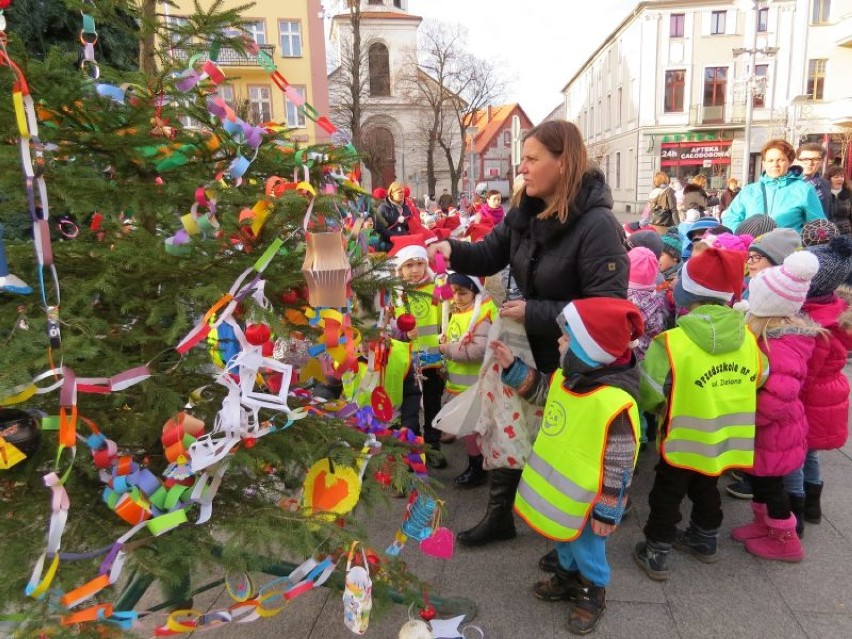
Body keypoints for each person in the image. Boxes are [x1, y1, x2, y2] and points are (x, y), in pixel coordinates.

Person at [427, 120, 629, 549]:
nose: (522, 168)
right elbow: (489, 253)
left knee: (557, 442)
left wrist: (536, 311)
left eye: (533, 159)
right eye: (524, 158)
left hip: (569, 356)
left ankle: (565, 539)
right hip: (524, 343)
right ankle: (501, 515)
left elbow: (607, 308)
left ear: (564, 162)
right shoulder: (526, 210)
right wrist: (451, 248)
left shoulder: (598, 226)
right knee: (507, 427)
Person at [492, 298, 644, 635]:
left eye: (567, 338)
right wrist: (515, 368)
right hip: (561, 493)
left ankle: (591, 591)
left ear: (589, 351)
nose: (559, 342)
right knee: (562, 538)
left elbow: (620, 465)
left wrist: (608, 510)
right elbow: (546, 394)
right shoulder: (569, 376)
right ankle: (566, 577)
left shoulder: (615, 403)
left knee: (588, 549)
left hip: (588, 500)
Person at [634, 248, 767, 581]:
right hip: (725, 438)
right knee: (707, 488)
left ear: (687, 295)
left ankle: (656, 550)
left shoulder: (671, 342)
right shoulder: (748, 338)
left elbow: (649, 390)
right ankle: (705, 540)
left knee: (667, 493)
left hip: (682, 439)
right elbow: (761, 376)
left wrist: (660, 409)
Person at [731, 251, 821, 562]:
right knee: (760, 481)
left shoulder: (781, 345)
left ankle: (786, 540)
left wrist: (747, 418)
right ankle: (763, 525)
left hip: (773, 432)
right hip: (768, 433)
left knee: (771, 487)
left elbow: (778, 398)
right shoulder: (772, 336)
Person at [789, 236, 852, 529]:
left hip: (809, 397)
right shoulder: (835, 310)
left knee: (796, 452)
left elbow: (805, 373)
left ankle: (795, 511)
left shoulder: (815, 325)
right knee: (810, 452)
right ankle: (813, 504)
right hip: (828, 392)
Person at [387, 234, 447, 468]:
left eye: (420, 263)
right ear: (400, 268)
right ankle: (411, 450)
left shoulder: (437, 286)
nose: (415, 270)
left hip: (433, 358)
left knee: (433, 404)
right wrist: (402, 334)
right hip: (405, 361)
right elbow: (386, 325)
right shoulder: (393, 292)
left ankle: (433, 446)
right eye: (409, 265)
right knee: (408, 408)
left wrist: (441, 266)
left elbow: (450, 311)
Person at [437, 273, 498, 487]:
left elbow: (479, 349)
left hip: (474, 385)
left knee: (472, 429)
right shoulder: (462, 311)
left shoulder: (481, 315)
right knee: (470, 429)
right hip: (460, 384)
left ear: (475, 291)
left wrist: (447, 350)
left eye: (463, 293)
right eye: (453, 292)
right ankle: (479, 462)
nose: (457, 297)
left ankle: (477, 467)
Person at [721, 139, 826, 233]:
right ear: (764, 163)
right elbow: (730, 219)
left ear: (790, 162)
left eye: (780, 160)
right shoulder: (749, 191)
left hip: (787, 251)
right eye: (770, 160)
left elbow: (817, 227)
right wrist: (745, 237)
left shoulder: (804, 190)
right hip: (751, 251)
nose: (775, 165)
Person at [375, 182, 422, 251]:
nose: (402, 194)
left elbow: (411, 224)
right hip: (389, 244)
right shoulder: (383, 208)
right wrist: (395, 238)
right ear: (392, 193)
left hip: (405, 243)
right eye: (399, 192)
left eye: (403, 192)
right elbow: (380, 228)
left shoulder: (406, 208)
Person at [797, 142, 831, 215]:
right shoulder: (789, 183)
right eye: (805, 159)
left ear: (822, 162)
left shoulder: (825, 184)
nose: (810, 163)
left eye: (815, 159)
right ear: (797, 160)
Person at [825, 165, 852, 235]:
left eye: (842, 176)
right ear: (828, 179)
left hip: (846, 232)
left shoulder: (849, 194)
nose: (840, 179)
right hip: (827, 232)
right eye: (836, 177)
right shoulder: (823, 194)